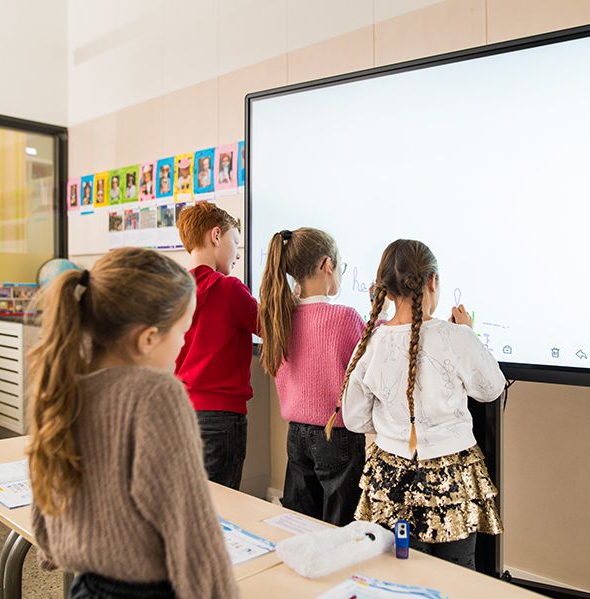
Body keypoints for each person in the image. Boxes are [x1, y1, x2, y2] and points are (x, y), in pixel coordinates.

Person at [26, 248, 239, 598]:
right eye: (182, 332)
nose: (184, 343)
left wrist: (50, 547)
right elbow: (189, 527)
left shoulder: (64, 382)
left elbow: (46, 484)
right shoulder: (155, 394)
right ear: (148, 338)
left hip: (87, 586)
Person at [339, 239, 505, 570]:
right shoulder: (455, 337)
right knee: (457, 576)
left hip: (390, 476)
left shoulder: (371, 343)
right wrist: (469, 334)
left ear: (386, 290)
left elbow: (353, 417)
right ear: (431, 281)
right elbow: (491, 388)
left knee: (400, 572)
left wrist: (394, 426)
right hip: (452, 477)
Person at [258, 228, 366, 525]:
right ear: (326, 265)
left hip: (296, 436)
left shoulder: (280, 316)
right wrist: (381, 318)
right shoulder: (344, 318)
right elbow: (371, 363)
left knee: (301, 524)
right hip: (336, 435)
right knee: (340, 526)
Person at [175, 203, 258, 488]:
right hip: (221, 418)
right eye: (235, 242)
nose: (237, 252)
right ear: (216, 236)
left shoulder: (174, 290)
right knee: (222, 505)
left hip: (182, 411)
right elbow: (270, 326)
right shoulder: (229, 289)